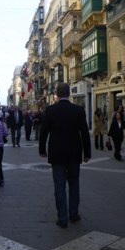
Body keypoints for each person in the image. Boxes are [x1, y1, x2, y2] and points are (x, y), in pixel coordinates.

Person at [39, 83, 91, 228]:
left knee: (59, 186)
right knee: (74, 184)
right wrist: (87, 153)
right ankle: (73, 214)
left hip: (57, 154)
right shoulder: (78, 110)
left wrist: (42, 150)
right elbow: (85, 133)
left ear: (56, 94)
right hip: (74, 153)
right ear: (69, 94)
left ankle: (62, 219)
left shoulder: (50, 110)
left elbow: (44, 133)